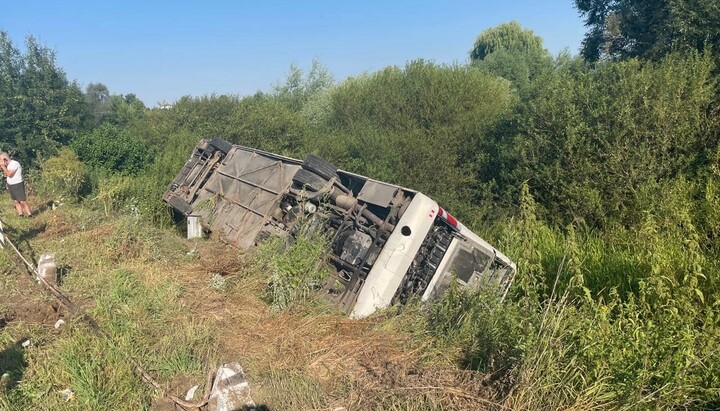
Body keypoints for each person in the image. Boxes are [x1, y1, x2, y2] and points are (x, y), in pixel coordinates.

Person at [0, 152, 32, 217]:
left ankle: (30, 214)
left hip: (17, 184)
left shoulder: (14, 163)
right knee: (16, 201)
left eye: (0, 159)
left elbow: (9, 174)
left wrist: (3, 167)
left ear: (4, 159)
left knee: (22, 201)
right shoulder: (8, 165)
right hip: (11, 185)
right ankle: (21, 214)